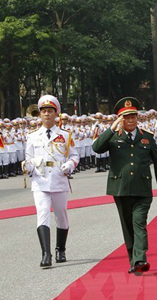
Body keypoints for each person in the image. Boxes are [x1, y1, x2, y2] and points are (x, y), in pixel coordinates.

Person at [92, 97, 157, 275]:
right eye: (126, 117)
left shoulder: (146, 137)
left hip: (142, 188)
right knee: (127, 226)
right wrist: (111, 128)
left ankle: (140, 258)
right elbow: (96, 147)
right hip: (120, 188)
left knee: (139, 224)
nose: (131, 120)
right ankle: (133, 261)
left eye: (133, 116)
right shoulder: (113, 137)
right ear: (120, 119)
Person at [23, 95, 79, 267]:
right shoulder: (32, 136)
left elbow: (74, 155)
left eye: (50, 111)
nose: (47, 114)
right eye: (44, 111)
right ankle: (46, 254)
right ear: (39, 114)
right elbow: (29, 158)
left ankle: (60, 249)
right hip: (40, 181)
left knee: (61, 216)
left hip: (59, 179)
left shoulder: (65, 135)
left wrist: (69, 165)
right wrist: (27, 167)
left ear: (56, 114)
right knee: (42, 215)